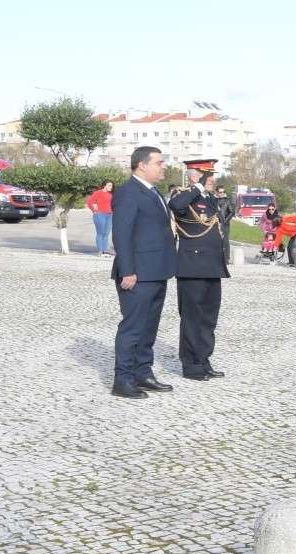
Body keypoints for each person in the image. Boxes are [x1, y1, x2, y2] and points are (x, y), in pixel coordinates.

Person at [109, 146, 176, 399]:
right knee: (133, 328)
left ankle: (143, 373)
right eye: (159, 162)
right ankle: (123, 379)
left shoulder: (153, 191)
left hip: (157, 271)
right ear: (142, 165)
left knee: (149, 328)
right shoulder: (129, 193)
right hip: (137, 274)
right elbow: (121, 234)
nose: (164, 166)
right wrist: (128, 271)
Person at [168, 159, 230, 382]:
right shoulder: (183, 195)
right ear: (195, 177)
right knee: (192, 318)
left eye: (212, 174)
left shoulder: (209, 198)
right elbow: (176, 207)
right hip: (192, 267)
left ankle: (204, 360)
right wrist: (197, 188)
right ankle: (191, 365)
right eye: (207, 175)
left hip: (212, 266)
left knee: (208, 318)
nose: (212, 178)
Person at [87, 180, 115, 257]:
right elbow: (89, 202)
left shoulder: (111, 194)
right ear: (104, 186)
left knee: (106, 234)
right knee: (100, 233)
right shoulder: (98, 192)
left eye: (111, 185)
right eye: (109, 185)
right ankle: (100, 252)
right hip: (100, 215)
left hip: (109, 215)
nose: (111, 187)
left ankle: (105, 251)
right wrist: (94, 211)